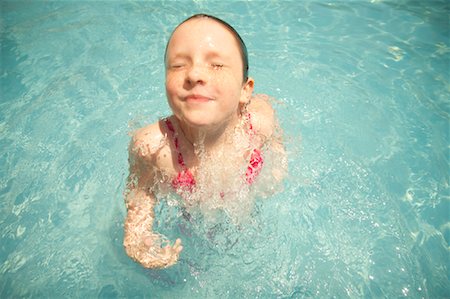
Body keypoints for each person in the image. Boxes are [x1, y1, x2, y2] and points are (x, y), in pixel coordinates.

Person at [123, 14, 286, 269]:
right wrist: (139, 240)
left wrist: (278, 168)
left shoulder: (259, 121)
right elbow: (141, 196)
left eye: (217, 65)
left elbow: (277, 140)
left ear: (245, 89)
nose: (195, 74)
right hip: (187, 217)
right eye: (178, 66)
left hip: (244, 210)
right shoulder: (153, 148)